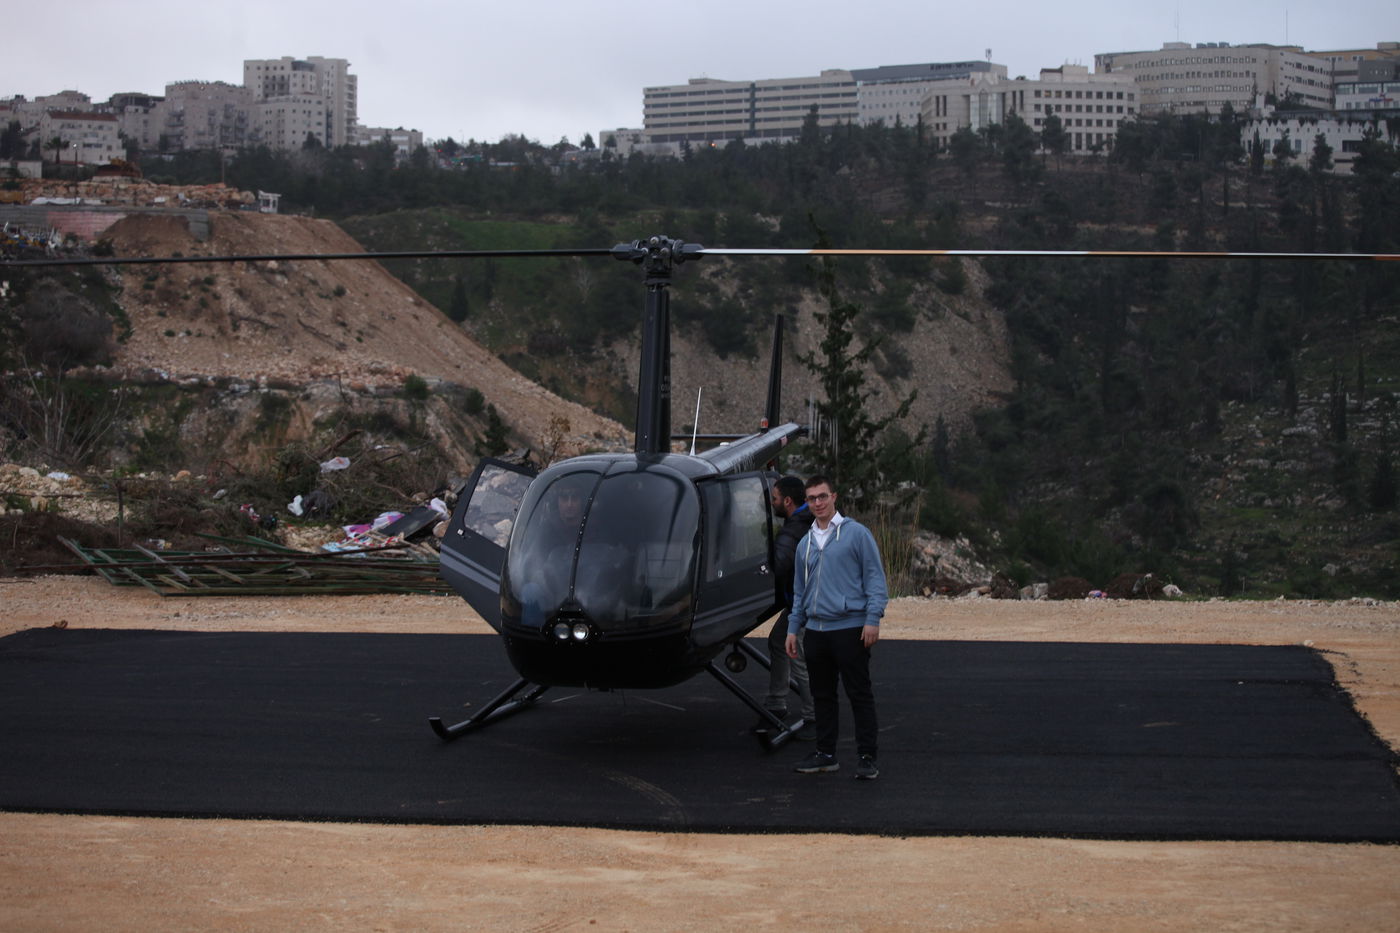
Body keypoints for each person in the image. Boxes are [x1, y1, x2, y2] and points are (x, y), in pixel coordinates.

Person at [785, 475, 887, 780]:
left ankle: (867, 756)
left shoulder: (856, 535)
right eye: (812, 498)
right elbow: (800, 591)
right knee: (823, 696)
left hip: (850, 629)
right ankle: (826, 754)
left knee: (859, 693)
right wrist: (793, 628)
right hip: (815, 632)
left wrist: (872, 619)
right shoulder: (805, 543)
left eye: (822, 497)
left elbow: (875, 579)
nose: (817, 503)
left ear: (834, 497)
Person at [753, 475, 815, 739]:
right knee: (779, 642)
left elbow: (780, 566)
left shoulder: (792, 532)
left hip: (805, 604)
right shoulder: (811, 518)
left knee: (797, 654)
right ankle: (777, 701)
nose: (772, 503)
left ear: (787, 501)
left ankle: (816, 716)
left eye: (775, 499)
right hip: (804, 601)